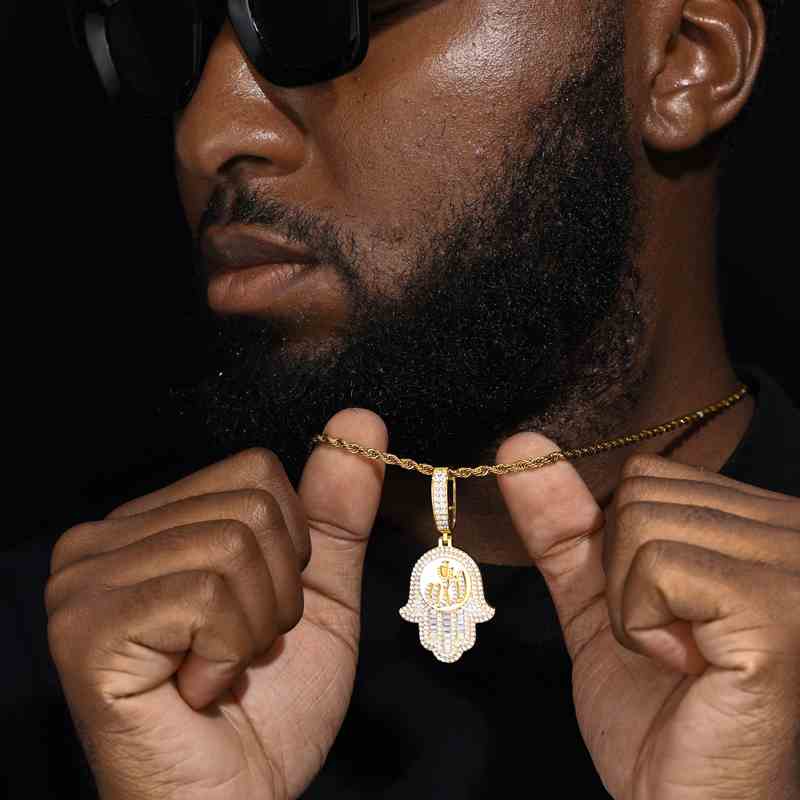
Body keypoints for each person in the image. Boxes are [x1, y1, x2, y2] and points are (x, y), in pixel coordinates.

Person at [5, 0, 799, 797]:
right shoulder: (75, 677)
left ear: (689, 57)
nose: (208, 134)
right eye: (162, 40)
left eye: (323, 20)